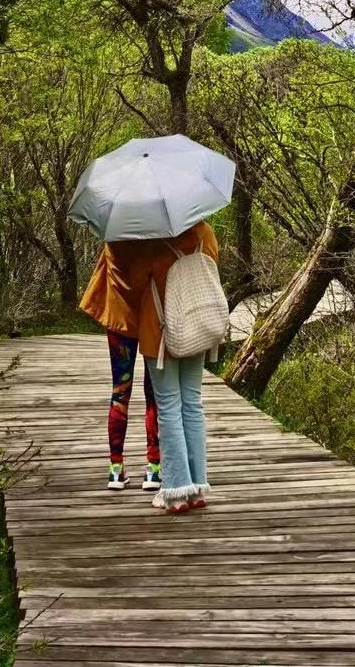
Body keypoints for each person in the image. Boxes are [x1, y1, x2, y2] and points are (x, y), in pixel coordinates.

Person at [80, 219, 218, 513]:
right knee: (193, 404)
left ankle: (176, 491)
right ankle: (197, 488)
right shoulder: (204, 232)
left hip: (161, 332)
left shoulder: (154, 241)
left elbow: (135, 284)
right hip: (197, 327)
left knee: (169, 406)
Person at [79, 249, 161, 493]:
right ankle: (153, 468)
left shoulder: (114, 238)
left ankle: (116, 469)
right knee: (153, 394)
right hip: (151, 317)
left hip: (118, 316)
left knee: (120, 392)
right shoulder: (155, 238)